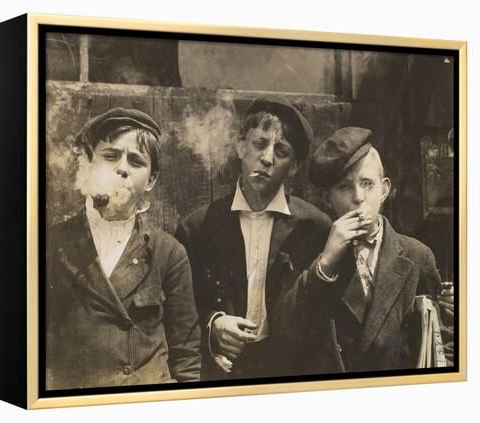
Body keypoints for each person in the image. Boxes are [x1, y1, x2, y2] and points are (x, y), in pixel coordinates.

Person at [175, 96, 331, 380]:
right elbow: (179, 309)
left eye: (282, 152)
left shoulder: (315, 228)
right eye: (259, 144)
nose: (268, 158)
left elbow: (322, 313)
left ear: (294, 167)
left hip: (293, 374)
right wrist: (214, 325)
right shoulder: (197, 227)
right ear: (240, 147)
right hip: (223, 376)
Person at [46, 107, 201, 389]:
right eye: (110, 156)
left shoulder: (168, 253)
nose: (122, 168)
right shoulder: (50, 246)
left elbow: (186, 355)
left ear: (151, 179)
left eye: (136, 161)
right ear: (90, 163)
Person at [279, 126, 453, 374]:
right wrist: (326, 262)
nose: (358, 197)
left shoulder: (417, 255)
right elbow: (287, 333)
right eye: (344, 187)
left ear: (384, 190)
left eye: (367, 184)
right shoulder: (311, 253)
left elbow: (441, 339)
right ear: (328, 199)